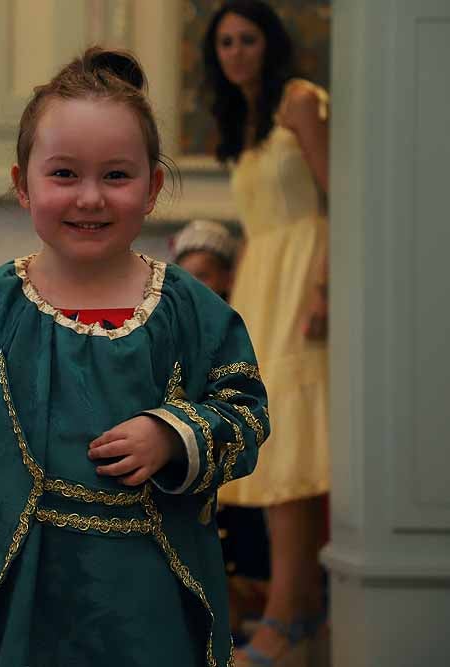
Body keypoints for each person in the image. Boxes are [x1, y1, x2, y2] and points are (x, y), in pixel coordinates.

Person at [0, 47, 271, 667]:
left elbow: (246, 412)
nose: (90, 197)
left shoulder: (191, 310)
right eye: (64, 175)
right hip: (24, 579)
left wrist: (173, 435)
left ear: (153, 188)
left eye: (116, 176)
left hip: (151, 587)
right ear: (22, 185)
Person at [203, 2, 331, 665]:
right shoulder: (244, 122)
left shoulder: (300, 101)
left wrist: (324, 286)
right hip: (263, 277)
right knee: (275, 439)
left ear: (269, 43)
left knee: (296, 446)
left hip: (306, 271)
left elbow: (341, 195)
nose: (235, 52)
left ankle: (287, 615)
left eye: (247, 39)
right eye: (224, 42)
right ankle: (301, 616)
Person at [173, 219, 272, 640]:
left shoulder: (240, 329)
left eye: (205, 275)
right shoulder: (174, 326)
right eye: (187, 275)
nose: (196, 285)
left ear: (229, 277)